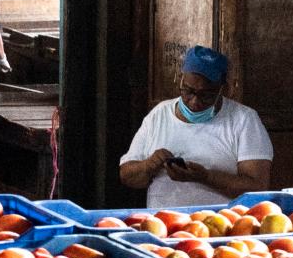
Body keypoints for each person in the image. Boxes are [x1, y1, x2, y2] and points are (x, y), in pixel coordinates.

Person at [117, 45, 273, 208]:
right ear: (180, 79)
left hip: (220, 226)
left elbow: (257, 187)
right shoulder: (159, 115)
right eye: (188, 91)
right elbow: (127, 176)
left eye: (206, 95)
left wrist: (205, 177)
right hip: (163, 225)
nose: (194, 101)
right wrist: (148, 165)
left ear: (223, 89)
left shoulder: (244, 120)